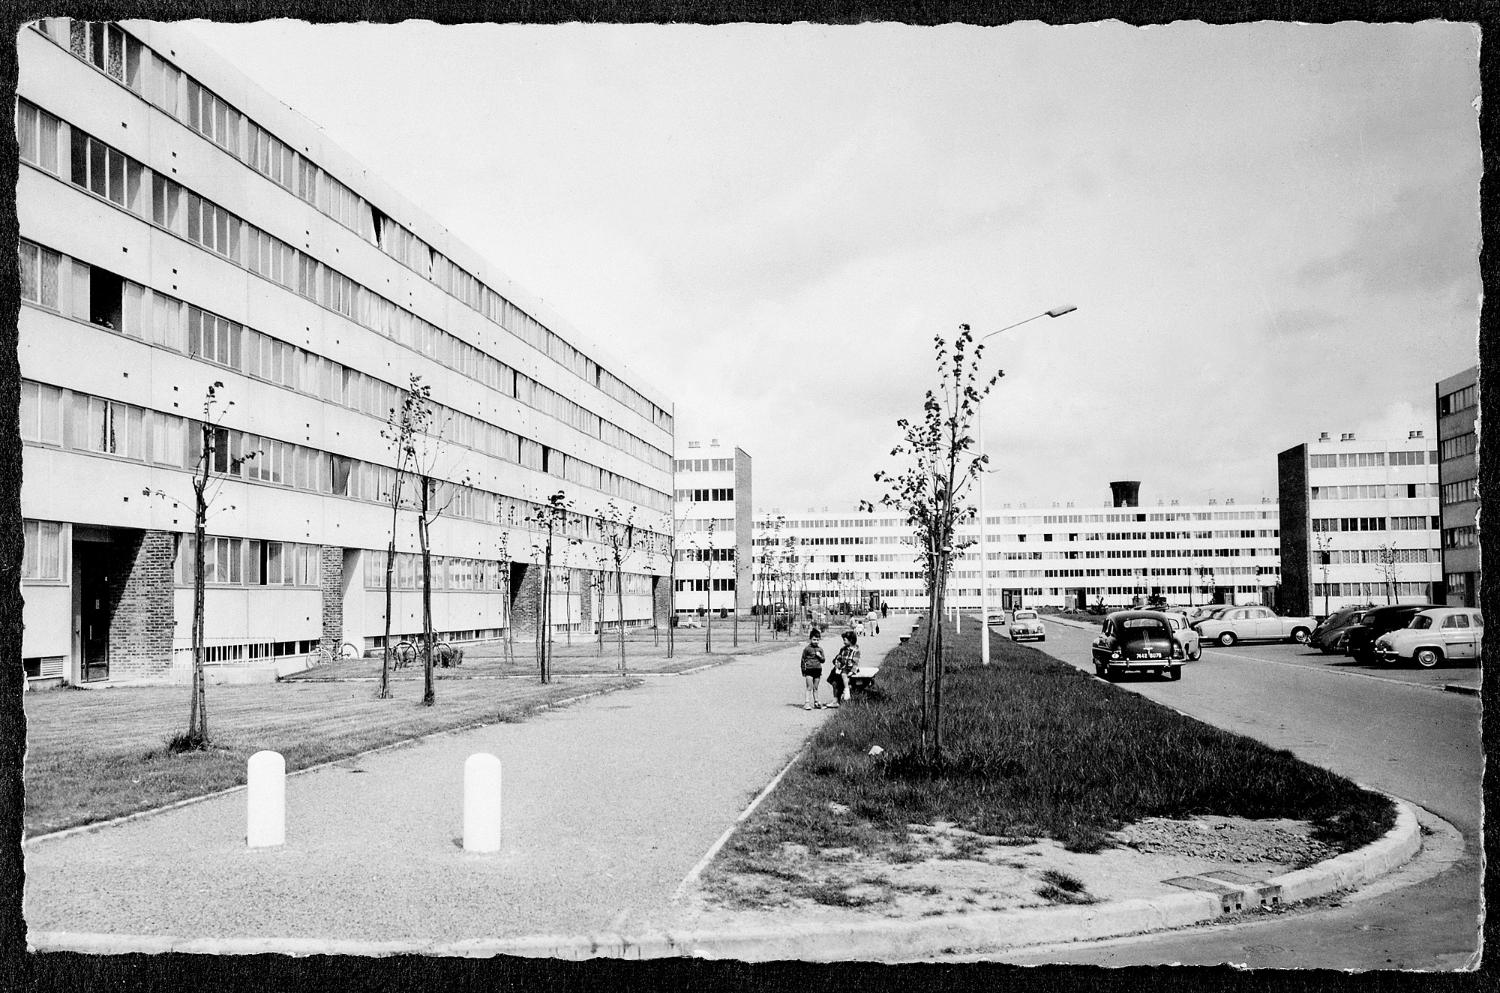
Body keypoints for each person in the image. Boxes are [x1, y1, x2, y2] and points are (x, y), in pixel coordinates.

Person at [826, 630, 860, 707]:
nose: (843, 642)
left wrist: (852, 671)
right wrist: (836, 662)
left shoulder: (855, 651)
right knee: (834, 682)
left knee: (844, 678)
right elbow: (838, 657)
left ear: (850, 640)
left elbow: (856, 663)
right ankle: (835, 701)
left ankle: (846, 692)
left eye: (845, 640)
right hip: (841, 669)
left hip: (849, 670)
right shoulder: (843, 649)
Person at [799, 627, 826, 710]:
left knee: (816, 687)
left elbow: (823, 660)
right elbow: (803, 660)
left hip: (817, 670)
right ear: (810, 639)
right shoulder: (807, 649)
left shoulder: (820, 649)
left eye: (817, 640)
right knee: (809, 687)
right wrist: (803, 670)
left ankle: (816, 702)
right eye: (814, 639)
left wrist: (819, 656)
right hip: (809, 670)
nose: (816, 641)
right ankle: (807, 703)